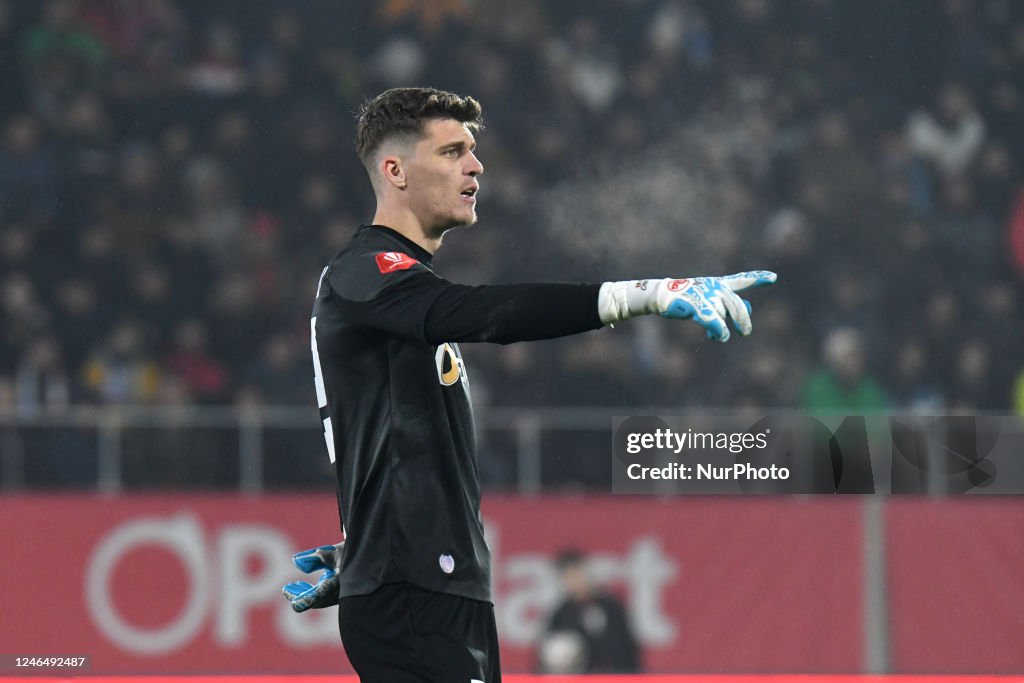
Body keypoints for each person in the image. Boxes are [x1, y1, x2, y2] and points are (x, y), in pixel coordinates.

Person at [280, 86, 777, 683]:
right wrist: (646, 294)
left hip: (429, 586)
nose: (475, 165)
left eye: (473, 150)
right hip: (415, 594)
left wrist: (364, 551)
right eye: (452, 151)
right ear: (395, 170)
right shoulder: (366, 271)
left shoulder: (395, 291)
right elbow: (492, 314)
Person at [536, 548, 641, 674]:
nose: (574, 580)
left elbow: (627, 649)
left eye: (577, 572)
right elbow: (548, 649)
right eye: (567, 576)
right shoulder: (562, 613)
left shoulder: (610, 607)